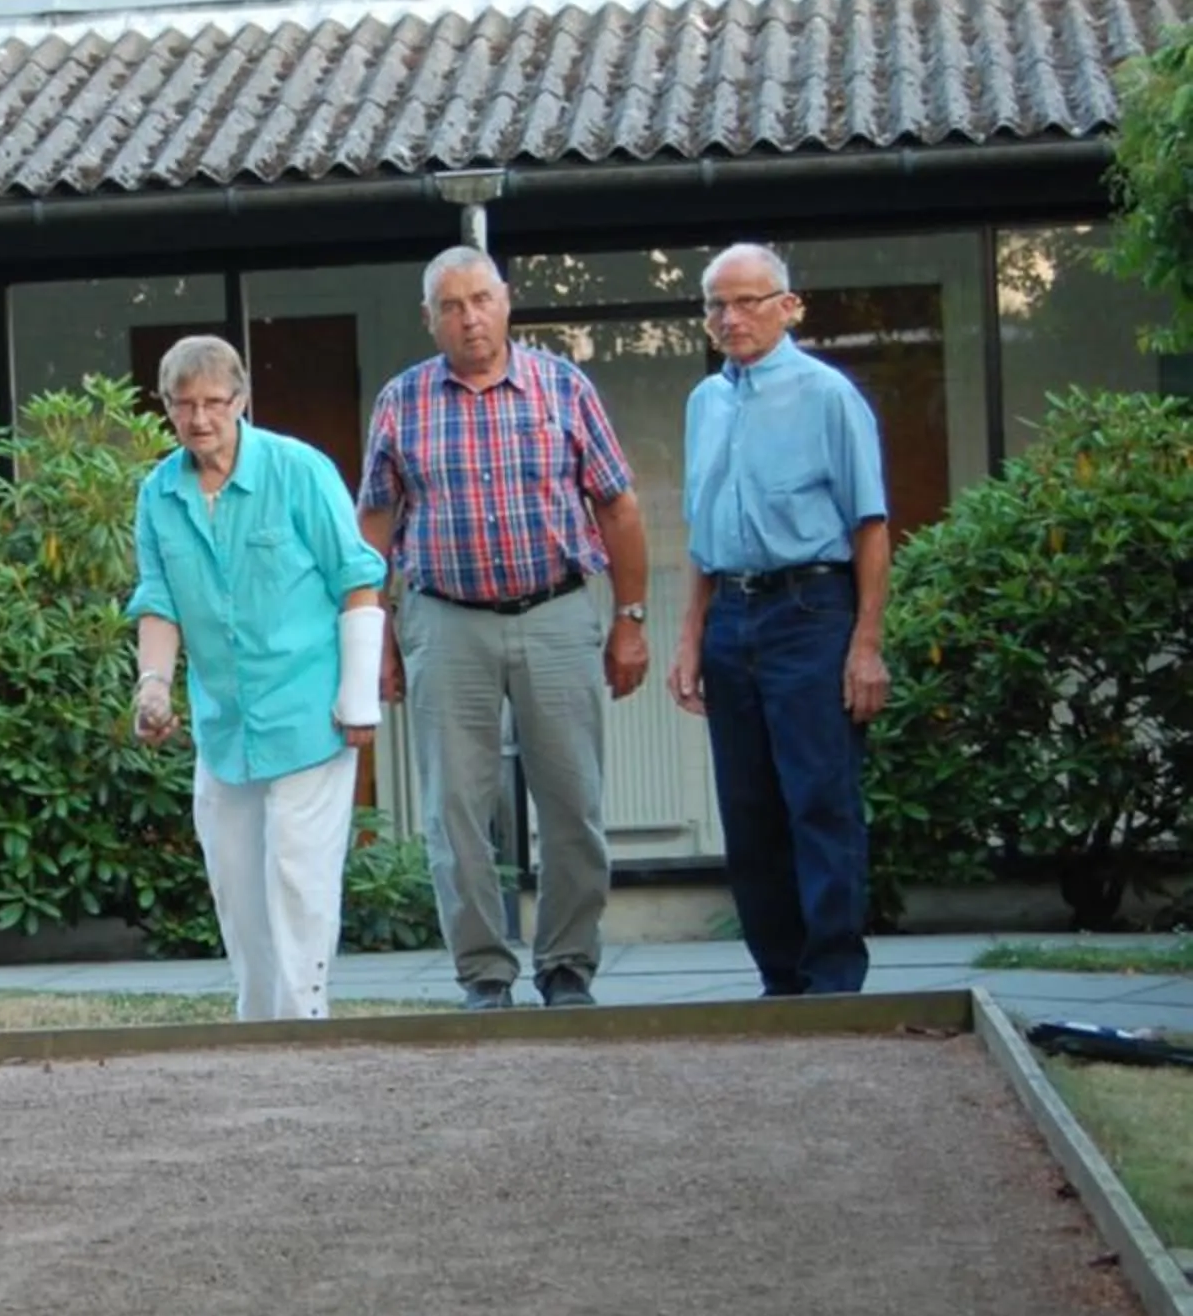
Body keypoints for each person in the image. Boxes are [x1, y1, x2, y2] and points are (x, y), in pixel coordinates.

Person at [358, 247, 650, 1012]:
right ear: (430, 319)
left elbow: (618, 506)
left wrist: (631, 619)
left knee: (573, 802)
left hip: (557, 613)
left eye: (481, 300)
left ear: (507, 302)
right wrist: (373, 636)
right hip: (445, 621)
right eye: (451, 306)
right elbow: (375, 526)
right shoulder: (402, 401)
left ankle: (566, 966)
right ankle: (484, 973)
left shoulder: (564, 386)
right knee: (454, 809)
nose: (469, 318)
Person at [127, 335, 386, 1023]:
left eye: (215, 402)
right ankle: (259, 1023)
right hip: (224, 723)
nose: (200, 418)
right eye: (185, 405)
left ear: (241, 401)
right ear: (167, 408)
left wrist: (359, 698)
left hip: (309, 710)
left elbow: (357, 580)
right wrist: (153, 685)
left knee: (298, 876)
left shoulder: (299, 470)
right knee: (238, 885)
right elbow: (158, 601)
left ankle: (304, 1019)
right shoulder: (158, 493)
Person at [666, 242, 890, 997]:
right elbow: (702, 531)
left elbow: (870, 525)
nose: (729, 318)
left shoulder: (827, 395)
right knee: (749, 808)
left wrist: (865, 645)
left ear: (787, 305)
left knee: (819, 800)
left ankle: (832, 980)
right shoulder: (706, 403)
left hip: (811, 611)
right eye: (715, 305)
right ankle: (779, 981)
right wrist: (690, 634)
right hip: (732, 614)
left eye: (746, 301)